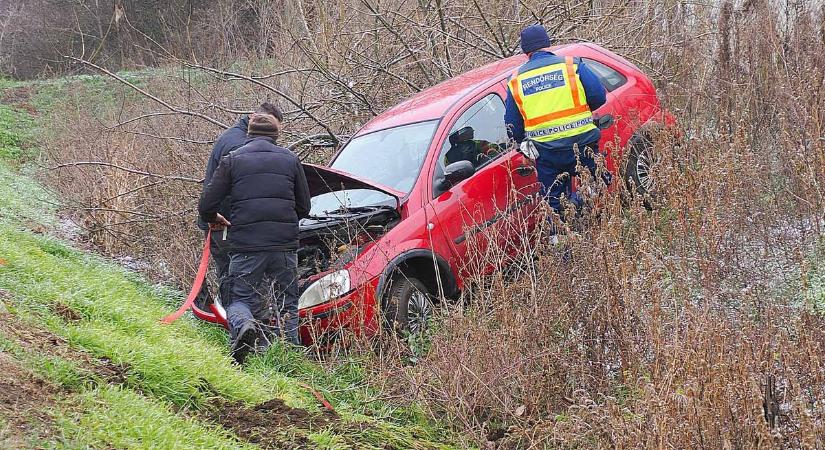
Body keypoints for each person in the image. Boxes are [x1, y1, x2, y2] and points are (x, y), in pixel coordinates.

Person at [198, 104, 311, 363]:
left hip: (246, 247)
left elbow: (206, 205)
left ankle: (244, 326)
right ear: (276, 134)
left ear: (248, 132)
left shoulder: (233, 159)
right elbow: (304, 206)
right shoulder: (290, 159)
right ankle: (290, 357)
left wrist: (215, 219)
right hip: (284, 248)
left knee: (239, 298)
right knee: (287, 302)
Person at [504, 24, 607, 227]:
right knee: (596, 182)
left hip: (547, 153)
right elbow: (598, 96)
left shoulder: (516, 80)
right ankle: (582, 208)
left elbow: (512, 126)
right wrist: (581, 112)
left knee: (553, 202)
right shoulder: (571, 65)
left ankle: (562, 247)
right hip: (583, 142)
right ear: (547, 43)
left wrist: (521, 144)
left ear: (526, 51)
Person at [195, 103, 283, 310]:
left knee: (232, 278)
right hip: (226, 224)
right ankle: (240, 328)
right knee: (235, 280)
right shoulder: (238, 147)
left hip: (223, 222)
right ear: (255, 118)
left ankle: (238, 324)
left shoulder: (234, 138)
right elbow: (243, 190)